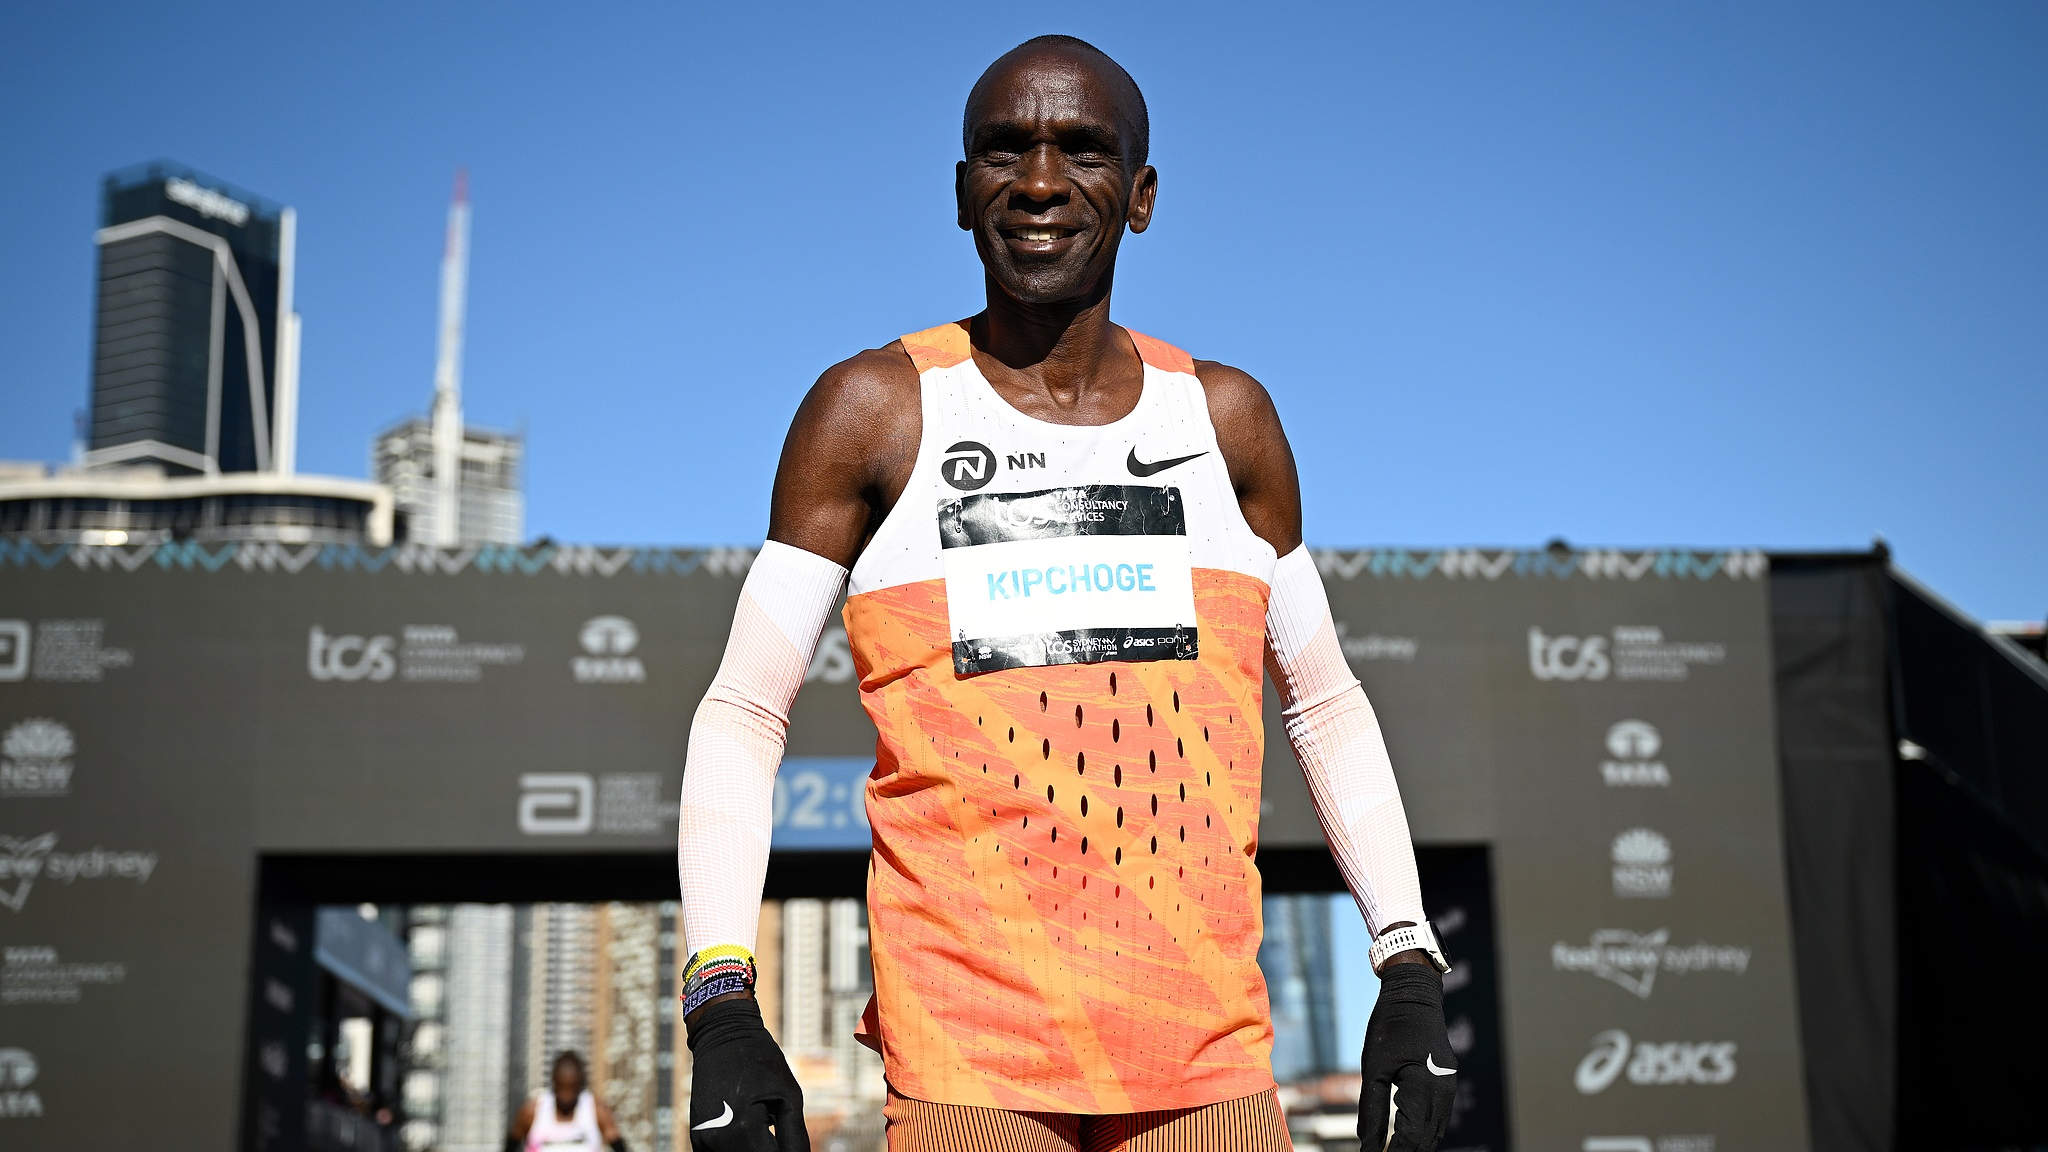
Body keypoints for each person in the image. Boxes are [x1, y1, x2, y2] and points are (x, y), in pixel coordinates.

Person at [677, 33, 1457, 1152]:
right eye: (1005, 150)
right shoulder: (872, 412)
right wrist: (721, 1006)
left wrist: (1408, 965)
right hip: (967, 1069)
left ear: (1139, 198)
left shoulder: (1225, 422)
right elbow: (743, 713)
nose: (1039, 183)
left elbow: (1323, 705)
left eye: (1081, 151)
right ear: (960, 193)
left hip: (1209, 1067)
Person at [506, 1050, 626, 1152]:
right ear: (554, 1081)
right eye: (562, 1089)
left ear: (580, 1085)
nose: (566, 1096)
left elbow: (618, 1144)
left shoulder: (596, 1110)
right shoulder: (532, 1111)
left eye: (571, 1090)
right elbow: (512, 1144)